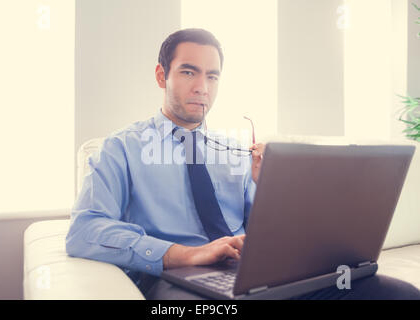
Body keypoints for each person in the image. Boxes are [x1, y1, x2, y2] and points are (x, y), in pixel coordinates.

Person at [66, 28, 420, 300]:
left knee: (398, 293)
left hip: (251, 273)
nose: (202, 87)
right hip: (177, 279)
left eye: (212, 76)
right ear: (162, 76)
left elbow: (268, 233)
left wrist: (273, 191)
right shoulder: (122, 148)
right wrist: (183, 254)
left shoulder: (235, 151)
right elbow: (84, 230)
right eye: (189, 72)